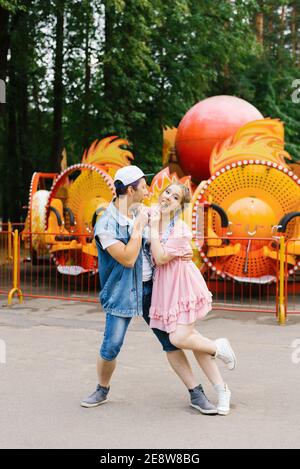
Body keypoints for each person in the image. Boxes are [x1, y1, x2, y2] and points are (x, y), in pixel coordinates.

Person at [80, 166, 220, 414]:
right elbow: (127, 258)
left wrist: (182, 252)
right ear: (131, 190)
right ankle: (102, 388)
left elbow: (168, 234)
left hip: (151, 290)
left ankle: (195, 392)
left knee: (170, 342)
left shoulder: (146, 212)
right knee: (111, 345)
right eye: (143, 187)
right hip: (121, 292)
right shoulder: (106, 224)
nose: (148, 192)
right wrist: (140, 226)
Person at [149, 182, 237, 415]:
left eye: (175, 197)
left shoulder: (180, 230)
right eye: (167, 192)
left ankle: (217, 347)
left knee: (179, 337)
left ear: (180, 206)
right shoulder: (153, 217)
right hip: (165, 289)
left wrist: (152, 227)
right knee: (191, 338)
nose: (168, 197)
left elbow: (159, 257)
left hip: (183, 287)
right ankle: (222, 389)